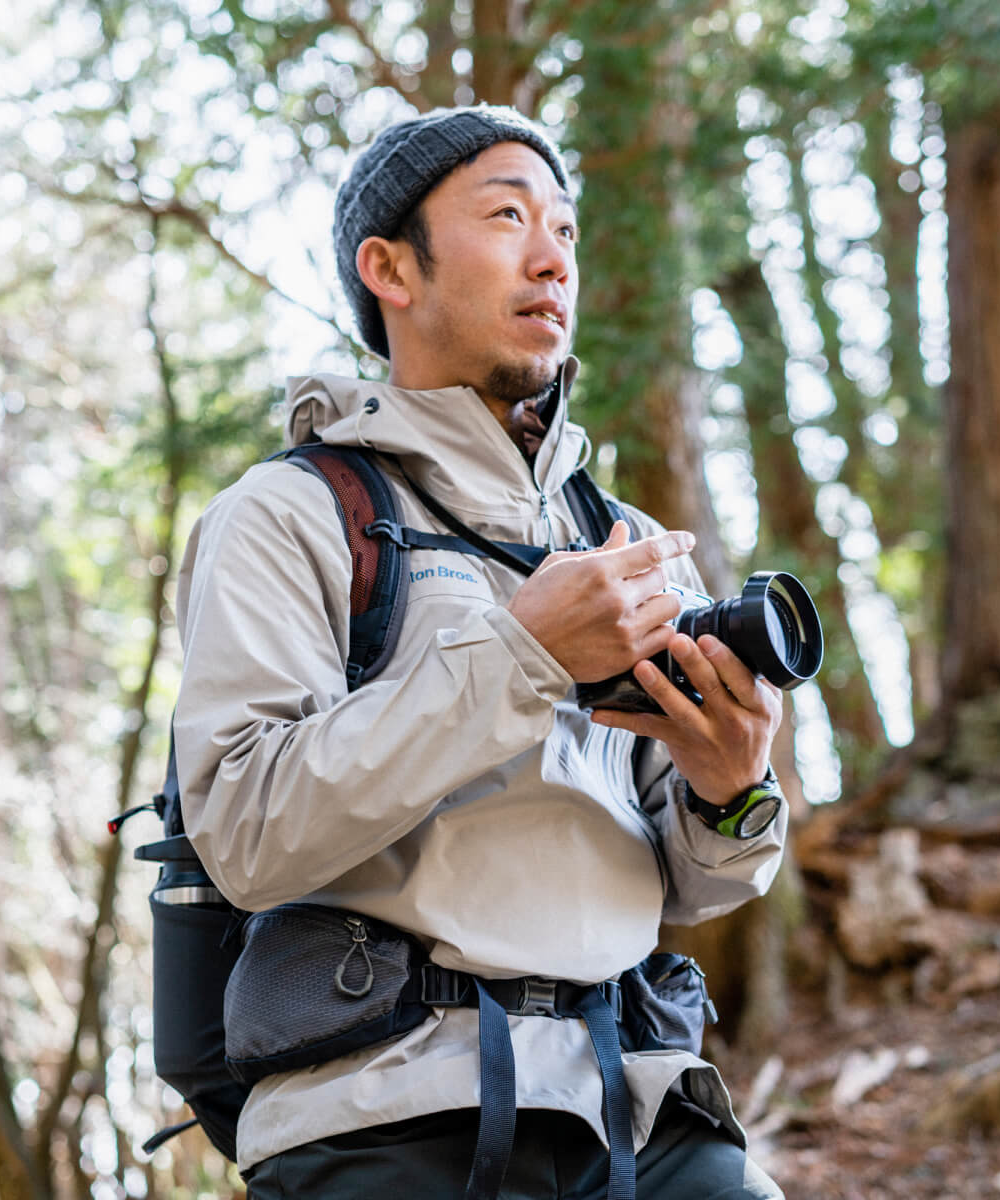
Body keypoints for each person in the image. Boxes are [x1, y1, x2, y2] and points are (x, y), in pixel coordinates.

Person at [172, 104, 786, 1199]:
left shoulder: (629, 544)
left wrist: (733, 792)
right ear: (389, 269)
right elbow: (245, 834)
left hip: (637, 1104)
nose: (552, 257)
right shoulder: (291, 514)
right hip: (381, 1111)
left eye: (564, 228)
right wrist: (522, 653)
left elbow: (692, 886)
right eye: (506, 217)